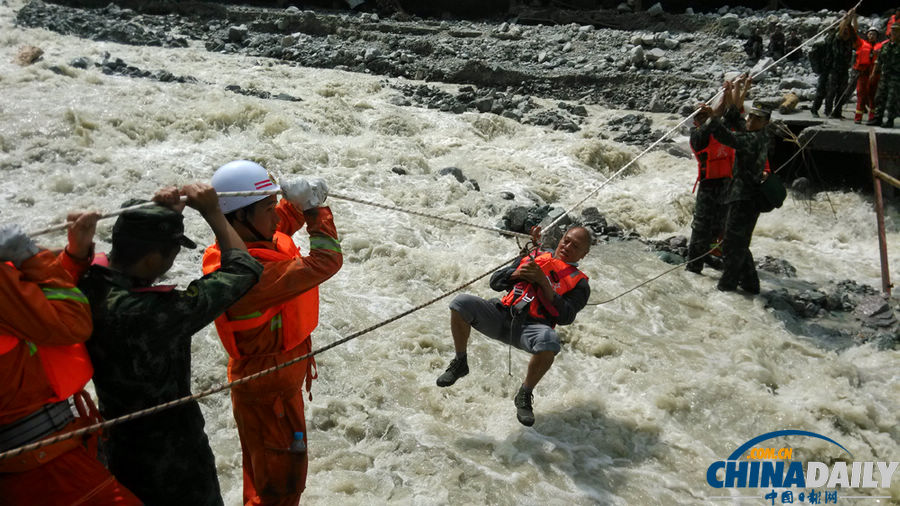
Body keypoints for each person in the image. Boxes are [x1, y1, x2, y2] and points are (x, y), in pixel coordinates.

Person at [78, 183, 263, 506]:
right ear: (152, 259)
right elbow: (243, 270)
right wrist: (213, 213)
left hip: (118, 446)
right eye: (173, 251)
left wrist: (160, 214)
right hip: (174, 460)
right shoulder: (152, 313)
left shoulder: (86, 284)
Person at [202, 160, 343, 506]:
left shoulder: (245, 240)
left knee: (270, 482)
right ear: (239, 217)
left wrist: (297, 203)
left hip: (275, 381)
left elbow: (280, 225)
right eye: (268, 209)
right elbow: (326, 260)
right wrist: (315, 211)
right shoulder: (248, 276)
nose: (276, 218)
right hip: (268, 391)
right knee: (279, 490)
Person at [0, 215, 141, 506]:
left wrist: (73, 257)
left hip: (35, 456)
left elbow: (33, 306)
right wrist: (31, 255)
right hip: (41, 462)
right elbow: (70, 323)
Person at [435, 226, 591, 427]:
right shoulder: (535, 255)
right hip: (501, 314)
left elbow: (566, 316)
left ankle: (525, 394)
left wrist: (544, 284)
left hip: (531, 329)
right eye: (566, 240)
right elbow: (495, 282)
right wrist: (516, 273)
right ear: (560, 239)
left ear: (584, 254)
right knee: (460, 303)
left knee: (550, 342)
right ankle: (460, 362)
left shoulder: (580, 284)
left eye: (575, 246)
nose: (567, 246)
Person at [700, 85, 772, 294]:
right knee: (739, 241)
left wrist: (713, 118)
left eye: (757, 119)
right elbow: (737, 121)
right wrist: (731, 94)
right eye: (751, 117)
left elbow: (728, 137)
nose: (751, 121)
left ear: (765, 122)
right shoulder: (758, 134)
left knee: (732, 244)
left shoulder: (754, 139)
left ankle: (727, 286)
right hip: (744, 197)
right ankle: (750, 284)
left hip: (745, 199)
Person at [685, 77, 751, 275]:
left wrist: (730, 92)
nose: (703, 118)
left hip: (727, 184)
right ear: (696, 121)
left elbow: (732, 114)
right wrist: (711, 114)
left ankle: (711, 255)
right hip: (709, 186)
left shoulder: (720, 129)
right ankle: (693, 267)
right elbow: (711, 124)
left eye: (704, 115)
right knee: (701, 227)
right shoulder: (697, 135)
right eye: (700, 116)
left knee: (721, 225)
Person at [811, 10, 856, 119]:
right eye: (845, 30)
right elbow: (841, 29)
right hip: (831, 70)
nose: (846, 32)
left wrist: (854, 17)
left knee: (841, 92)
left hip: (843, 70)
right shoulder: (836, 39)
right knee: (826, 91)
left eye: (848, 31)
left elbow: (854, 30)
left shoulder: (849, 41)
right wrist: (846, 18)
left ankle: (837, 112)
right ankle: (823, 110)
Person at [867, 23, 900, 128]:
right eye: (893, 30)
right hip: (884, 76)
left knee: (892, 98)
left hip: (896, 77)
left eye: (896, 31)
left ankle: (890, 119)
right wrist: (873, 73)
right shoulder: (885, 46)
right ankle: (877, 118)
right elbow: (878, 61)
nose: (894, 33)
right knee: (879, 97)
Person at [852, 27, 881, 123]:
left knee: (873, 97)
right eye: (870, 34)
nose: (872, 36)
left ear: (877, 37)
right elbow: (854, 35)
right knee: (861, 95)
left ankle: (872, 117)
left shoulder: (881, 46)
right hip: (862, 74)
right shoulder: (861, 44)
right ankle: (858, 118)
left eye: (874, 34)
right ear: (867, 35)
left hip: (874, 75)